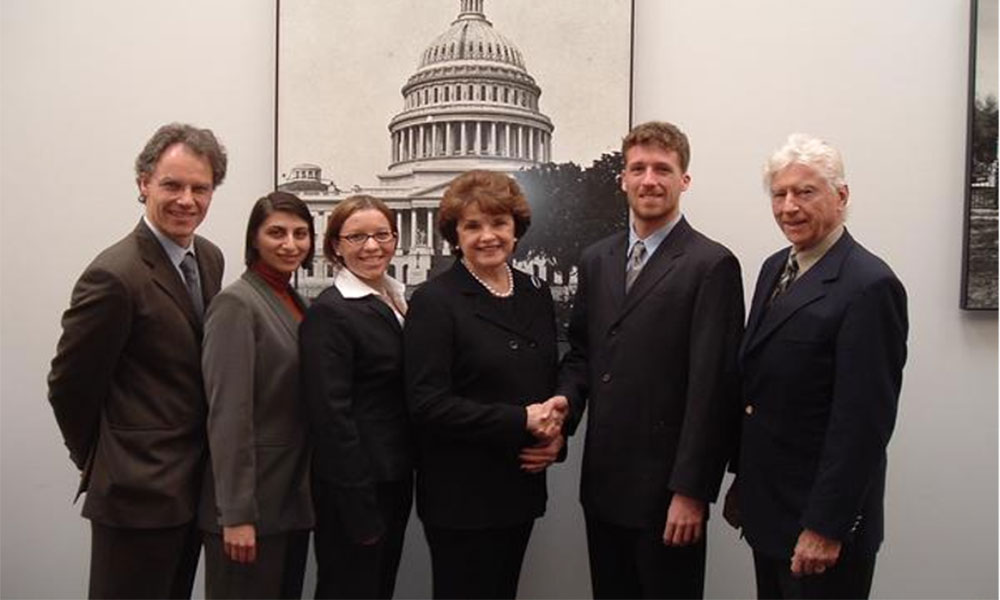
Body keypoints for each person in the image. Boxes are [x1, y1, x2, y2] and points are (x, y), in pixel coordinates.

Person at [552, 121, 745, 599]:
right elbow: (582, 353)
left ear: (685, 180)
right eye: (638, 168)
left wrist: (692, 490)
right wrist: (563, 405)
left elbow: (713, 388)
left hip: (668, 492)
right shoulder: (597, 259)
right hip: (603, 484)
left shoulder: (712, 265)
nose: (649, 180)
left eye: (663, 169)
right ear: (622, 179)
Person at [47, 122, 227, 598]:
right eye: (172, 184)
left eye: (200, 188)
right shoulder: (113, 275)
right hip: (134, 496)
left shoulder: (209, 258)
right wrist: (108, 459)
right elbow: (69, 387)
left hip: (192, 491)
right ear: (143, 183)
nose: (186, 199)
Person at [724, 134, 908, 599]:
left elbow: (862, 423)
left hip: (822, 530)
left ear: (841, 196)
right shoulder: (773, 269)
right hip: (770, 513)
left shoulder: (870, 285)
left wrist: (826, 526)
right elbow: (762, 391)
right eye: (780, 194)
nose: (789, 207)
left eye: (805, 192)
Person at [404, 170, 567, 599]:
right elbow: (427, 405)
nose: (487, 236)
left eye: (498, 223)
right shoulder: (434, 301)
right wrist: (521, 420)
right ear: (454, 235)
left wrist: (555, 435)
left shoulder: (534, 292)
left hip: (519, 484)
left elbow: (546, 379)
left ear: (516, 229)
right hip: (461, 496)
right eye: (472, 226)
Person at [199, 191, 315, 599]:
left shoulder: (293, 299)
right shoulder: (236, 303)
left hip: (288, 503)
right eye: (277, 232)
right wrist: (236, 515)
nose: (290, 244)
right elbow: (228, 414)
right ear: (254, 239)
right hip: (250, 510)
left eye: (301, 233)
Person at [299, 195, 415, 599]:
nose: (372, 246)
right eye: (357, 237)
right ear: (336, 246)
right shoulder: (330, 313)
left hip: (392, 477)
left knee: (378, 587)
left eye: (382, 234)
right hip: (354, 489)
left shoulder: (397, 298)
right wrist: (358, 506)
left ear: (395, 239)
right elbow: (331, 417)